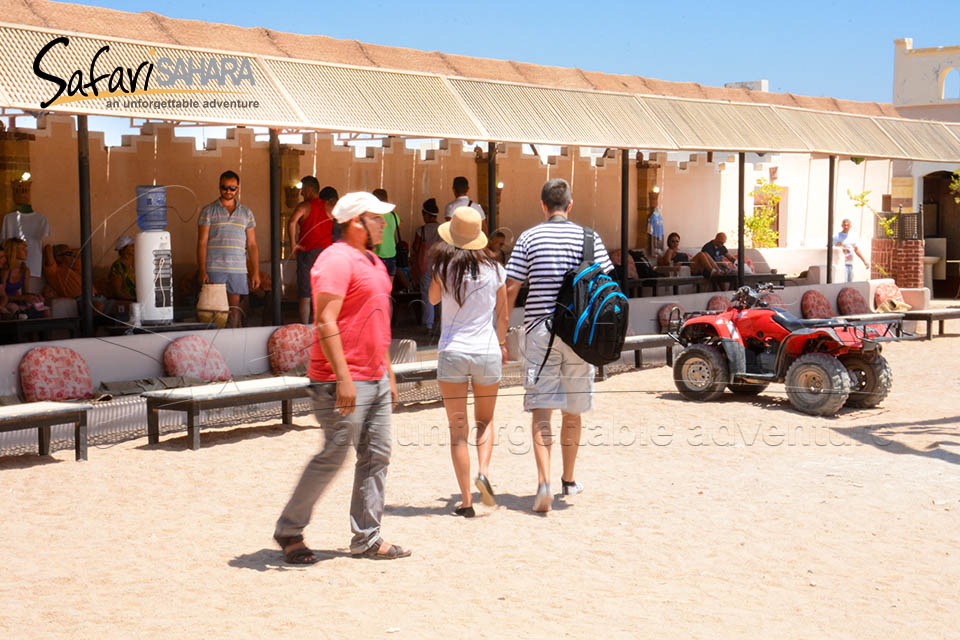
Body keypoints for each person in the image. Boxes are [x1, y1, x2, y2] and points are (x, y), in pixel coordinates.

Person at [274, 191, 410, 563]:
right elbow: (325, 320)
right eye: (377, 218)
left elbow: (376, 318)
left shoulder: (373, 261)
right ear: (356, 222)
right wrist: (344, 377)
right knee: (335, 454)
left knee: (377, 455)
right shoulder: (334, 259)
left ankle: (367, 537)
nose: (384, 224)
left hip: (374, 376)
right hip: (340, 379)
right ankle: (289, 530)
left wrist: (388, 371)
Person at [505, 178, 613, 513]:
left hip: (539, 332)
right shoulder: (589, 238)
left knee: (541, 410)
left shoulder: (529, 237)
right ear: (570, 204)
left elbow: (511, 287)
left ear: (542, 206)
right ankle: (568, 479)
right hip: (580, 336)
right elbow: (607, 281)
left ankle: (543, 483)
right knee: (573, 411)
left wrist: (502, 331)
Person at [428, 206, 508, 517]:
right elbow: (501, 315)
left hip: (453, 351)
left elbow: (434, 299)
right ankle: (484, 471)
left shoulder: (444, 268)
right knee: (484, 422)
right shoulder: (495, 269)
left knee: (457, 429)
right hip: (487, 349)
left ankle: (465, 501)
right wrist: (501, 343)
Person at [197, 170, 260, 328]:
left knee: (235, 310)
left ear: (238, 188)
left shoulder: (246, 213)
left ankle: (234, 343)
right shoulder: (208, 211)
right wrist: (202, 270)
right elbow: (202, 242)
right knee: (215, 311)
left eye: (232, 188)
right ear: (219, 187)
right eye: (225, 187)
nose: (228, 191)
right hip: (214, 267)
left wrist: (256, 272)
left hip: (238, 268)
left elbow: (252, 244)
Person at [287, 176, 334, 324]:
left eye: (302, 190)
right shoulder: (329, 207)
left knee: (305, 295)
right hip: (326, 255)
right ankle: (323, 326)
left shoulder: (304, 206)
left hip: (308, 254)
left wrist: (293, 243)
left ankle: (306, 327)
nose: (301, 194)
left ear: (309, 189)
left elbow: (292, 222)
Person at [412, 198, 440, 332]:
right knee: (442, 293)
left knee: (427, 295)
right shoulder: (442, 229)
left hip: (425, 265)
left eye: (424, 214)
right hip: (440, 265)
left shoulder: (420, 231)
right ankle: (439, 321)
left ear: (427, 215)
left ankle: (428, 325)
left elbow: (415, 248)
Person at [1, 237, 47, 318]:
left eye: (25, 248)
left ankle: (42, 329)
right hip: (4, 301)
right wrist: (22, 298)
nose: (26, 251)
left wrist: (35, 296)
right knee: (14, 308)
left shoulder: (25, 270)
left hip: (17, 300)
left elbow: (25, 292)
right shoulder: (5, 270)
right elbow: (2, 296)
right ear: (14, 251)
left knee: (44, 309)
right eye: (22, 249)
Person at [372, 188, 401, 284]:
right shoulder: (393, 215)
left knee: (376, 287)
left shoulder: (374, 215)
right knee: (388, 290)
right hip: (391, 255)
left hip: (378, 255)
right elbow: (400, 224)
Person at [834, 218, 869, 282]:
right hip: (841, 265)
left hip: (850, 264)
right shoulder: (836, 237)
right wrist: (839, 248)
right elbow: (829, 247)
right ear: (842, 226)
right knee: (843, 283)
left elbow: (856, 250)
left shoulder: (853, 236)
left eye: (848, 225)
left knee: (849, 283)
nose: (846, 227)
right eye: (844, 225)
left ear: (850, 226)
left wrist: (864, 261)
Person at [109, 235, 137, 301]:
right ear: (123, 249)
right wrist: (133, 299)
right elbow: (118, 292)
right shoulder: (117, 267)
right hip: (126, 301)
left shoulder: (138, 263)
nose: (134, 247)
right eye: (132, 245)